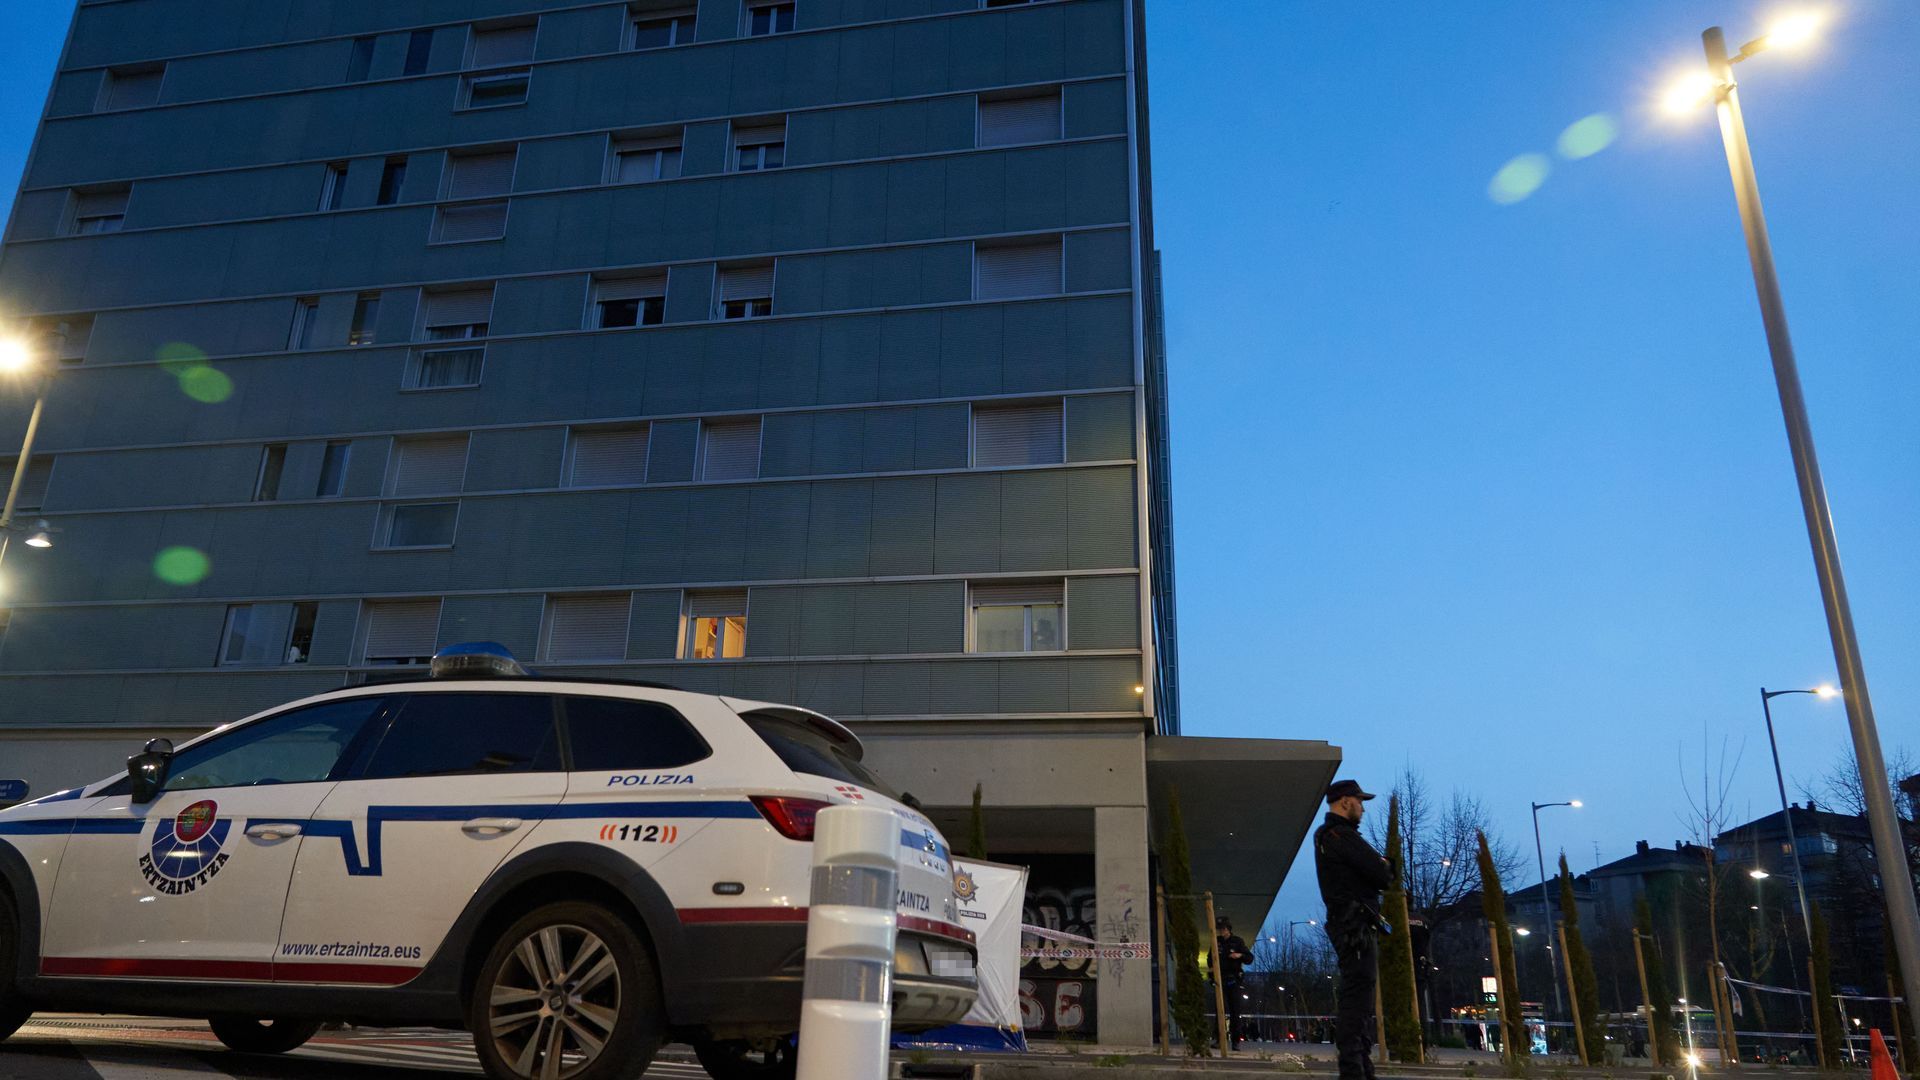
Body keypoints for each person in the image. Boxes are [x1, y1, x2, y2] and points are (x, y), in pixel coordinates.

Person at [1314, 778, 1391, 1080]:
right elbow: (1382, 874)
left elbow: (1380, 870)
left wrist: (1380, 866)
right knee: (1357, 997)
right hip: (1353, 925)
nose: (1362, 808)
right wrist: (1381, 865)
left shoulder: (1333, 835)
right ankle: (1353, 1069)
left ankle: (1361, 1066)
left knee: (1359, 996)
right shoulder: (1339, 835)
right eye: (1359, 802)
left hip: (1352, 923)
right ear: (1345, 801)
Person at [1215, 915, 1252, 1048]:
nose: (1222, 931)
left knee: (1235, 1011)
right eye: (1220, 929)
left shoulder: (1237, 942)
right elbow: (1209, 959)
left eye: (1223, 929)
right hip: (1220, 979)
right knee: (1219, 1009)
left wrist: (1239, 955)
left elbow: (1249, 958)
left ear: (1228, 929)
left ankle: (1235, 1041)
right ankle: (1219, 1039)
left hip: (1234, 979)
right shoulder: (1216, 942)